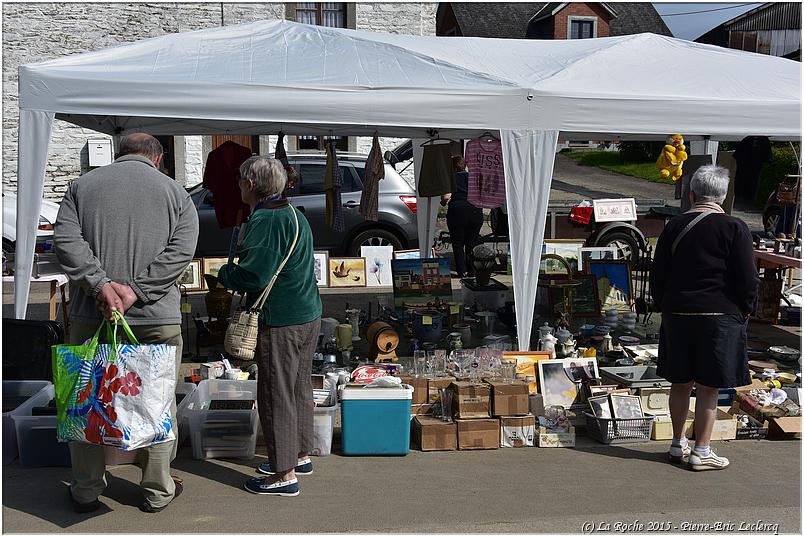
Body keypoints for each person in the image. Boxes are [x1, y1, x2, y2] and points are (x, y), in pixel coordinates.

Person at [54, 132, 199, 512]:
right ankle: (156, 490)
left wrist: (101, 286)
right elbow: (181, 251)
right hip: (157, 319)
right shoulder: (176, 194)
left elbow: (67, 241)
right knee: (157, 401)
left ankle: (85, 488)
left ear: (119, 155)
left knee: (85, 400)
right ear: (158, 158)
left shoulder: (80, 187)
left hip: (92, 317)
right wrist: (135, 291)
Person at [218, 157, 322, 497]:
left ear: (250, 185)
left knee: (276, 394)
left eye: (239, 182)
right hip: (307, 312)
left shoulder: (264, 219)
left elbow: (254, 275)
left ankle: (283, 474)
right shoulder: (294, 213)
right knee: (298, 387)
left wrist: (224, 274)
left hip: (281, 318)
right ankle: (300, 454)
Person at [650, 164, 759, 471]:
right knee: (709, 387)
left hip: (678, 314)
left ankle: (676, 443)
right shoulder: (735, 228)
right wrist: (745, 309)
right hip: (718, 315)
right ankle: (702, 450)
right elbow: (747, 278)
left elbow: (658, 274)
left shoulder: (673, 227)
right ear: (724, 197)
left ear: (692, 193)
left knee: (680, 382)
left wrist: (662, 304)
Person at [441, 155, 483, 278]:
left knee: (458, 243)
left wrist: (443, 202)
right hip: (475, 211)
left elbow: (446, 197)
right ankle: (472, 271)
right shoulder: (473, 178)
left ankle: (461, 271)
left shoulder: (451, 178)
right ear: (464, 166)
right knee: (471, 243)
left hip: (457, 211)